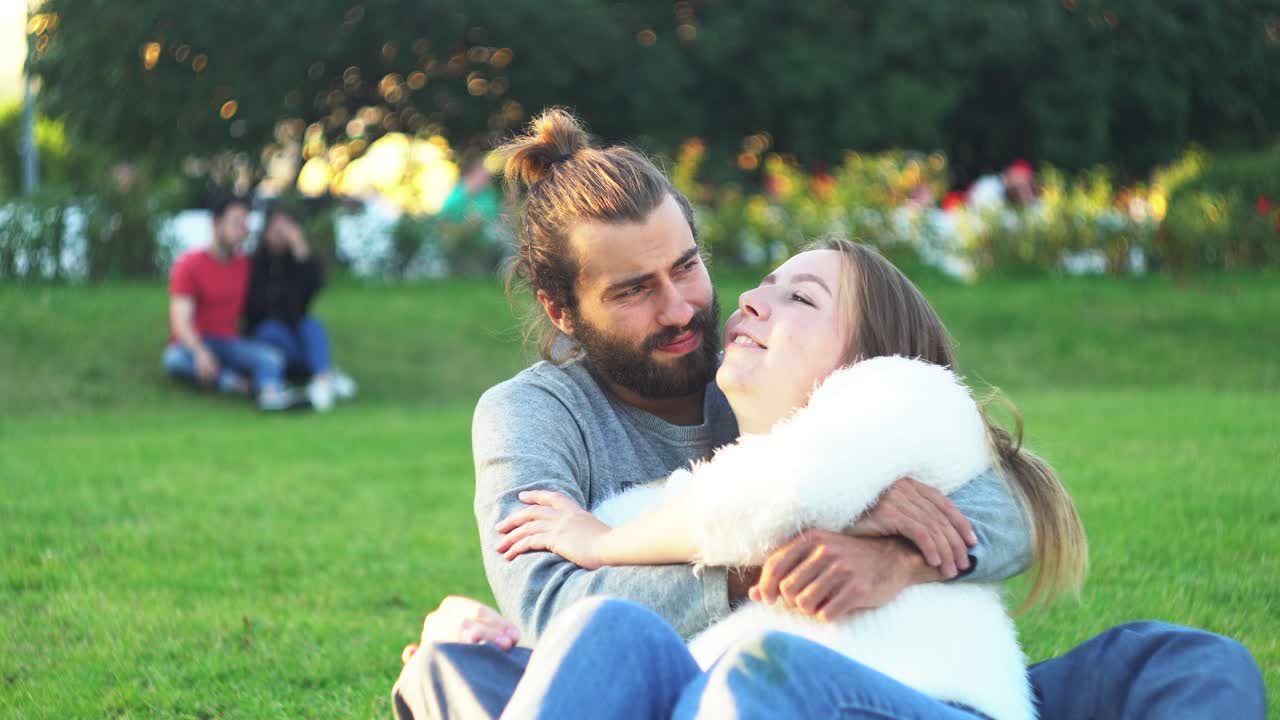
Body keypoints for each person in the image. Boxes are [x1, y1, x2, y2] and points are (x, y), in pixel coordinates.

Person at [391, 109, 1266, 719]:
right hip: (695, 678)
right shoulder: (533, 417)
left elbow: (1012, 507)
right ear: (561, 308)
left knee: (1187, 664)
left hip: (867, 677)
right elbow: (555, 607)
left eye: (687, 267)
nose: (684, 309)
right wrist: (808, 528)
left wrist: (884, 551)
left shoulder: (798, 382)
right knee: (495, 652)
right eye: (633, 291)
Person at [491, 238, 1087, 719]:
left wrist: (598, 541)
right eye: (765, 285)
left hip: (921, 701)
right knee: (610, 629)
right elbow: (574, 608)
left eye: (801, 299)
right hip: (738, 695)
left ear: (865, 358)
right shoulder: (702, 481)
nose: (749, 299)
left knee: (761, 670)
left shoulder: (903, 392)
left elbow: (781, 493)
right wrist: (486, 637)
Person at [162, 195, 303, 411]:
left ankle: (270, 393)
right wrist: (199, 352)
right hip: (194, 343)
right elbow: (180, 321)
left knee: (270, 358)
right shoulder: (189, 265)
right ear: (216, 224)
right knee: (175, 359)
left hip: (229, 342)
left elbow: (288, 279)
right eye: (237, 223)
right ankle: (232, 382)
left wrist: (296, 243)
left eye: (246, 225)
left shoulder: (246, 265)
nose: (243, 231)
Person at [242, 202, 356, 412]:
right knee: (271, 331)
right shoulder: (253, 265)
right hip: (267, 338)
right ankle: (282, 387)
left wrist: (300, 248)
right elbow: (256, 307)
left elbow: (310, 293)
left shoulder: (297, 264)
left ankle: (323, 379)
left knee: (312, 326)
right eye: (276, 229)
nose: (280, 236)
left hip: (295, 336)